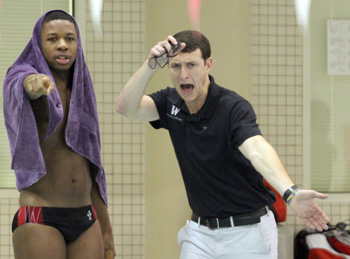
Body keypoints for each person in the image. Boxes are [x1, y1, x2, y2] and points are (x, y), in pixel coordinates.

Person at [115, 30, 330, 258]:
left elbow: (256, 149)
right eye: (175, 66)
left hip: (248, 232)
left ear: (208, 65)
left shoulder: (232, 107)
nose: (183, 75)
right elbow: (126, 107)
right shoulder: (170, 102)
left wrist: (291, 193)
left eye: (191, 65)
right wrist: (150, 64)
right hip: (200, 232)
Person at [3, 10, 115, 259]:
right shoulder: (25, 77)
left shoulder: (82, 94)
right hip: (40, 216)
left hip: (86, 217)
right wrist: (33, 84)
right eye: (53, 39)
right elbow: (21, 83)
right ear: (38, 44)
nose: (62, 45)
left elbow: (92, 165)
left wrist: (106, 230)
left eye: (70, 39)